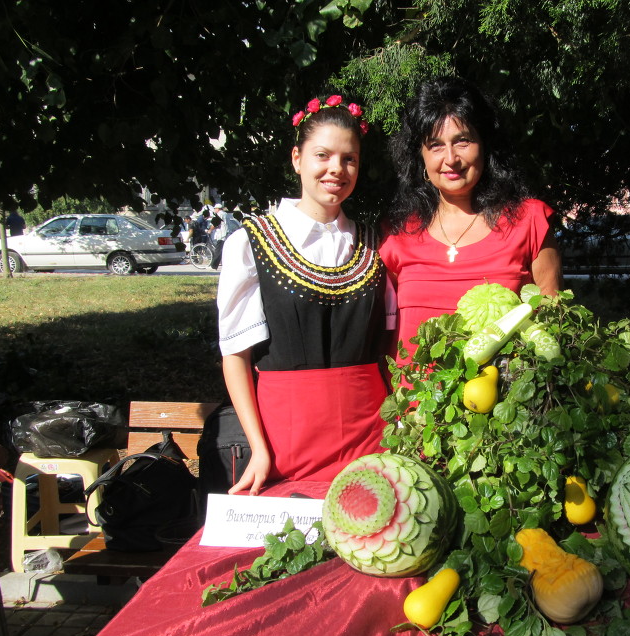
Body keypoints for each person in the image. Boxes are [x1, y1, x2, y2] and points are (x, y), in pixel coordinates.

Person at [217, 94, 388, 495]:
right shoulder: (250, 243)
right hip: (284, 441)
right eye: (322, 155)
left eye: (349, 159)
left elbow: (388, 346)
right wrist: (259, 449)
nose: (336, 169)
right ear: (297, 159)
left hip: (371, 438)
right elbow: (236, 356)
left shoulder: (376, 243)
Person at [379, 77, 562, 364]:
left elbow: (554, 327)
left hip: (500, 391)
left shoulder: (531, 222)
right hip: (411, 394)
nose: (451, 158)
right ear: (421, 156)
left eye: (462, 141)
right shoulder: (396, 233)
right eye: (435, 145)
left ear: (485, 144)